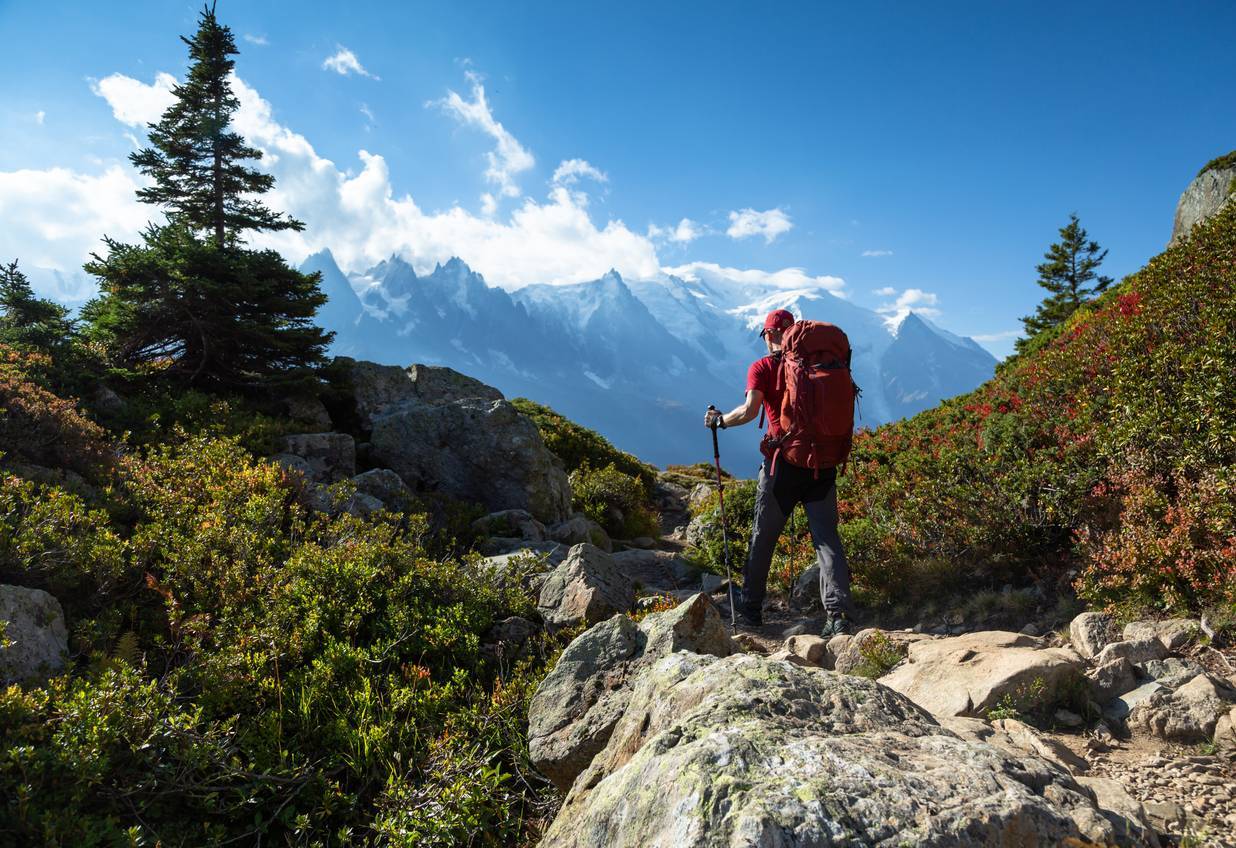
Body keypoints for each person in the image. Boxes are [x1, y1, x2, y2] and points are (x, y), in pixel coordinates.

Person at [703, 308, 852, 636]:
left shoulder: (763, 367)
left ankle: (751, 610)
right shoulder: (822, 363)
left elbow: (749, 411)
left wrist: (719, 421)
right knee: (826, 540)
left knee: (764, 538)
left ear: (770, 335)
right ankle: (838, 616)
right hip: (822, 464)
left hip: (782, 467)